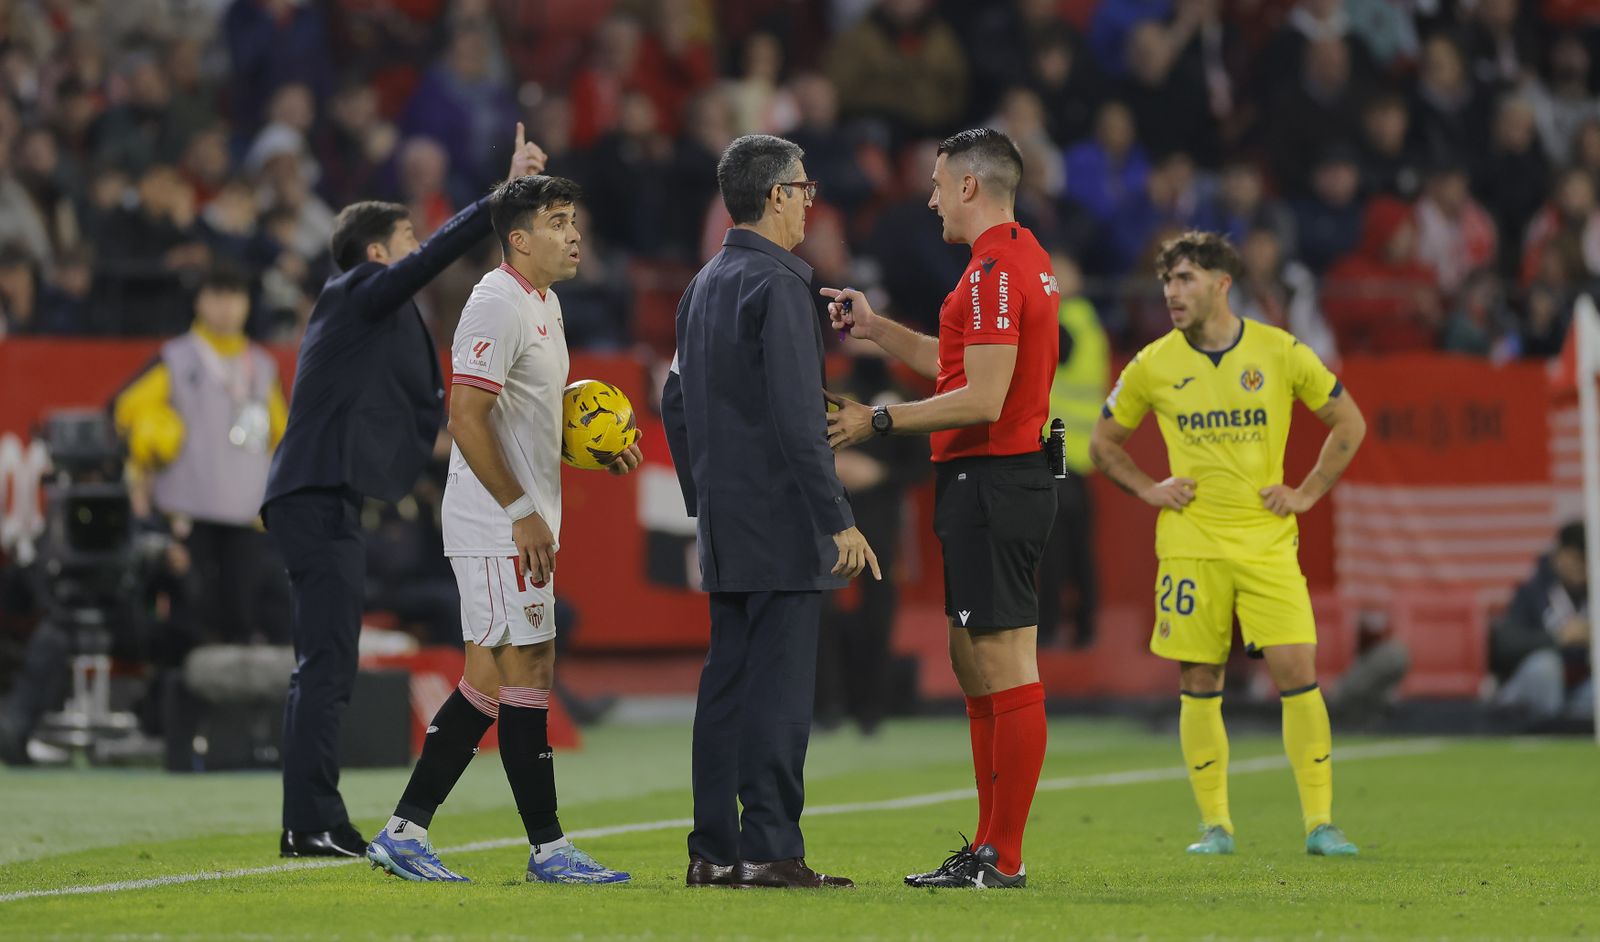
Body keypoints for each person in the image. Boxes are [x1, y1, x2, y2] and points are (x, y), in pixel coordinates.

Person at [261, 124, 546, 860]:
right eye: (407, 237)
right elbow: (431, 262)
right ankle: (309, 823)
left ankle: (315, 819)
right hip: (315, 495)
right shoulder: (356, 288)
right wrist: (501, 198)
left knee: (326, 662)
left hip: (325, 495)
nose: (416, 246)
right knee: (324, 665)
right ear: (380, 250)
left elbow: (399, 406)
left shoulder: (363, 322)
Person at [365, 174, 642, 884]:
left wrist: (595, 447)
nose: (574, 233)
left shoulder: (542, 302)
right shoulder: (495, 302)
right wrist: (520, 512)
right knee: (523, 666)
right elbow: (465, 417)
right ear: (518, 240)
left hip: (519, 517)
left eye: (574, 219)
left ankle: (405, 831)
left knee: (498, 675)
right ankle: (547, 849)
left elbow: (521, 417)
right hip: (497, 522)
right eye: (557, 221)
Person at [823, 128, 1058, 890]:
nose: (928, 199)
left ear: (968, 187)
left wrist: (877, 420)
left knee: (1002, 661)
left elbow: (983, 398)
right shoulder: (1014, 260)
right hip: (986, 482)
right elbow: (958, 365)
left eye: (935, 184)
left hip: (996, 479)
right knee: (976, 663)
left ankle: (1003, 856)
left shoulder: (993, 269)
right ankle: (988, 847)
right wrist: (876, 327)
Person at [1088, 231, 1367, 858]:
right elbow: (1101, 444)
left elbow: (1349, 423)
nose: (1171, 293)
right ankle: (1216, 827)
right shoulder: (1153, 362)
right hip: (1191, 545)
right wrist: (1150, 488)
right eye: (1167, 282)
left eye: (1185, 279)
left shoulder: (1279, 351)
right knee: (1199, 678)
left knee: (1298, 673)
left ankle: (1320, 823)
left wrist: (1308, 491)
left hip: (1267, 542)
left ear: (1222, 284)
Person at [661, 133, 879, 891]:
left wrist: (704, 497)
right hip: (784, 520)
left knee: (726, 685)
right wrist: (837, 516)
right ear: (777, 195)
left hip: (725, 519)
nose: (812, 200)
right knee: (781, 692)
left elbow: (674, 401)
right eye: (805, 187)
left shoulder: (702, 284)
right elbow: (797, 416)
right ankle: (771, 850)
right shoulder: (779, 286)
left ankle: (713, 851)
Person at [112, 266, 291, 654]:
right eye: (217, 295)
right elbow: (122, 409)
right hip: (188, 516)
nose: (226, 307)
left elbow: (284, 437)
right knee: (190, 623)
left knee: (242, 621)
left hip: (246, 519)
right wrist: (150, 428)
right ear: (199, 301)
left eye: (235, 297)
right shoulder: (176, 359)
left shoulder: (262, 367)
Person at [1492, 522, 1592, 724]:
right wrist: (1559, 638)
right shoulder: (1532, 591)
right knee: (1544, 667)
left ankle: (1574, 729)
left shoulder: (1593, 595)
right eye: (1576, 558)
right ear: (1560, 555)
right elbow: (1505, 644)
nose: (1581, 567)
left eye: (1587, 560)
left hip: (1582, 692)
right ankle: (1547, 729)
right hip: (1535, 690)